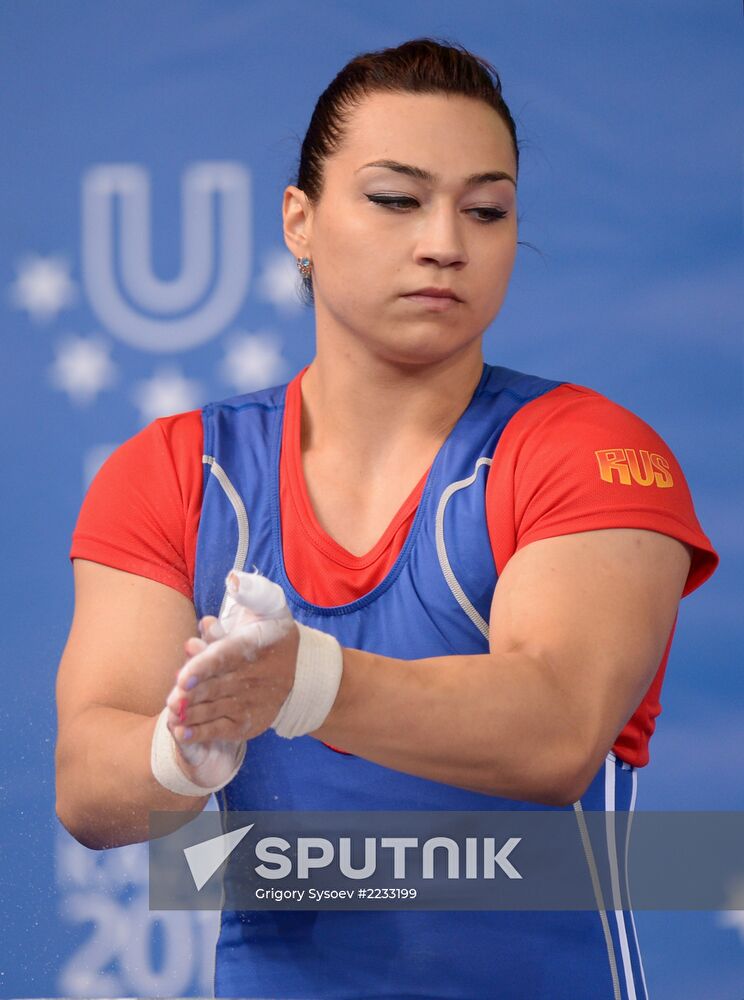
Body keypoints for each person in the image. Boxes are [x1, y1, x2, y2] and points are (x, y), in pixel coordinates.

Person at [55, 37, 719, 1000]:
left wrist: (300, 682)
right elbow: (87, 785)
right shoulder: (175, 474)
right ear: (300, 221)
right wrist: (185, 742)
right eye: (397, 198)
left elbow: (556, 732)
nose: (445, 239)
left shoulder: (589, 451)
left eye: (486, 209)